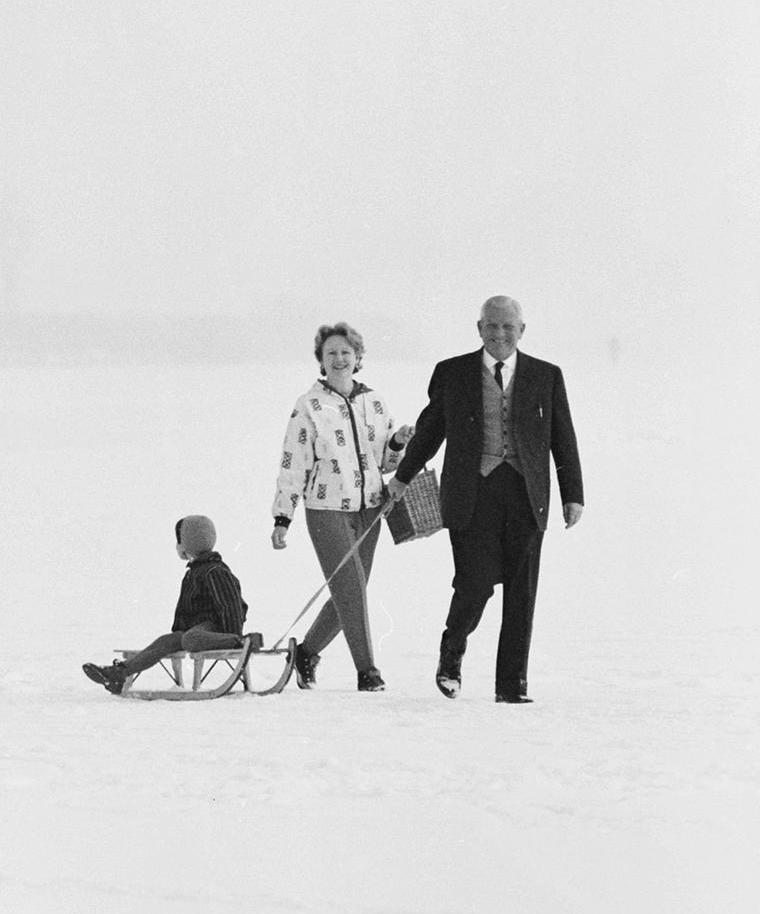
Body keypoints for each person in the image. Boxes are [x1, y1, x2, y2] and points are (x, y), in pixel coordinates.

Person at [391, 295, 584, 703]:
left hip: (528, 494)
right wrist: (403, 478)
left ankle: (511, 687)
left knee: (521, 592)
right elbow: (429, 432)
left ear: (521, 331)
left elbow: (562, 439)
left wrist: (573, 494)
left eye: (508, 327)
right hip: (471, 493)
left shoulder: (547, 376)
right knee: (474, 584)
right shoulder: (452, 372)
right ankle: (452, 650)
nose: (499, 334)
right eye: (491, 326)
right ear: (479, 329)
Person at [269, 321, 405, 691]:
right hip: (326, 508)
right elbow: (293, 463)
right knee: (351, 587)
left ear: (358, 357)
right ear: (321, 361)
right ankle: (368, 672)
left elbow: (386, 463)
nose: (340, 358)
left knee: (350, 591)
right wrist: (283, 516)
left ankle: (307, 652)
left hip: (372, 509)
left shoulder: (374, 401)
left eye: (346, 352)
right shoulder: (309, 406)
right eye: (331, 353)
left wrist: (398, 443)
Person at [81, 516, 250, 693]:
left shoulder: (214, 571)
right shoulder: (195, 571)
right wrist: (179, 630)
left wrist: (234, 635)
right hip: (196, 631)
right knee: (167, 640)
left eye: (180, 540)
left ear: (189, 543)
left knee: (190, 638)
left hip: (216, 630)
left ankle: (244, 642)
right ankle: (119, 673)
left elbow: (231, 604)